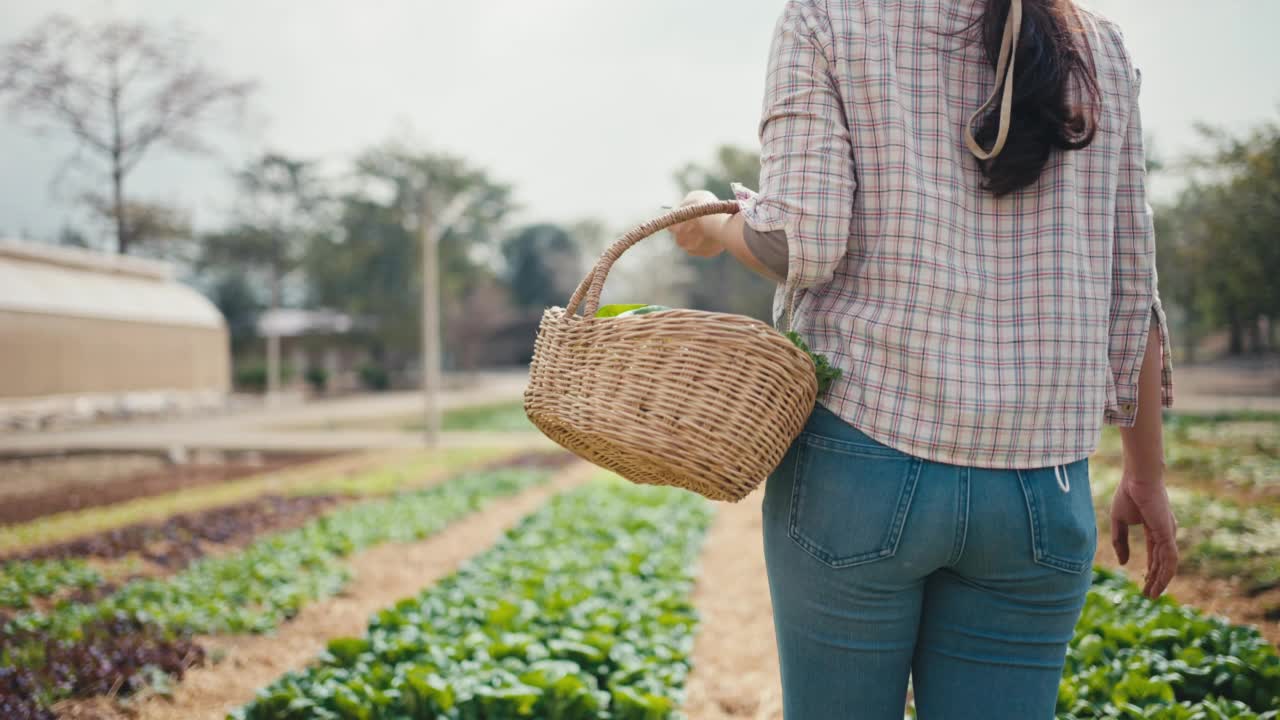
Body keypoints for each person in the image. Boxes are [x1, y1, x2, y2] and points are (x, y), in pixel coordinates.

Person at [668, 0, 1177, 717]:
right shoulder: (1098, 47)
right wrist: (1146, 473)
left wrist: (711, 220)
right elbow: (1134, 287)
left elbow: (800, 245)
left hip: (861, 459)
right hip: (1042, 488)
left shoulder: (829, 17)